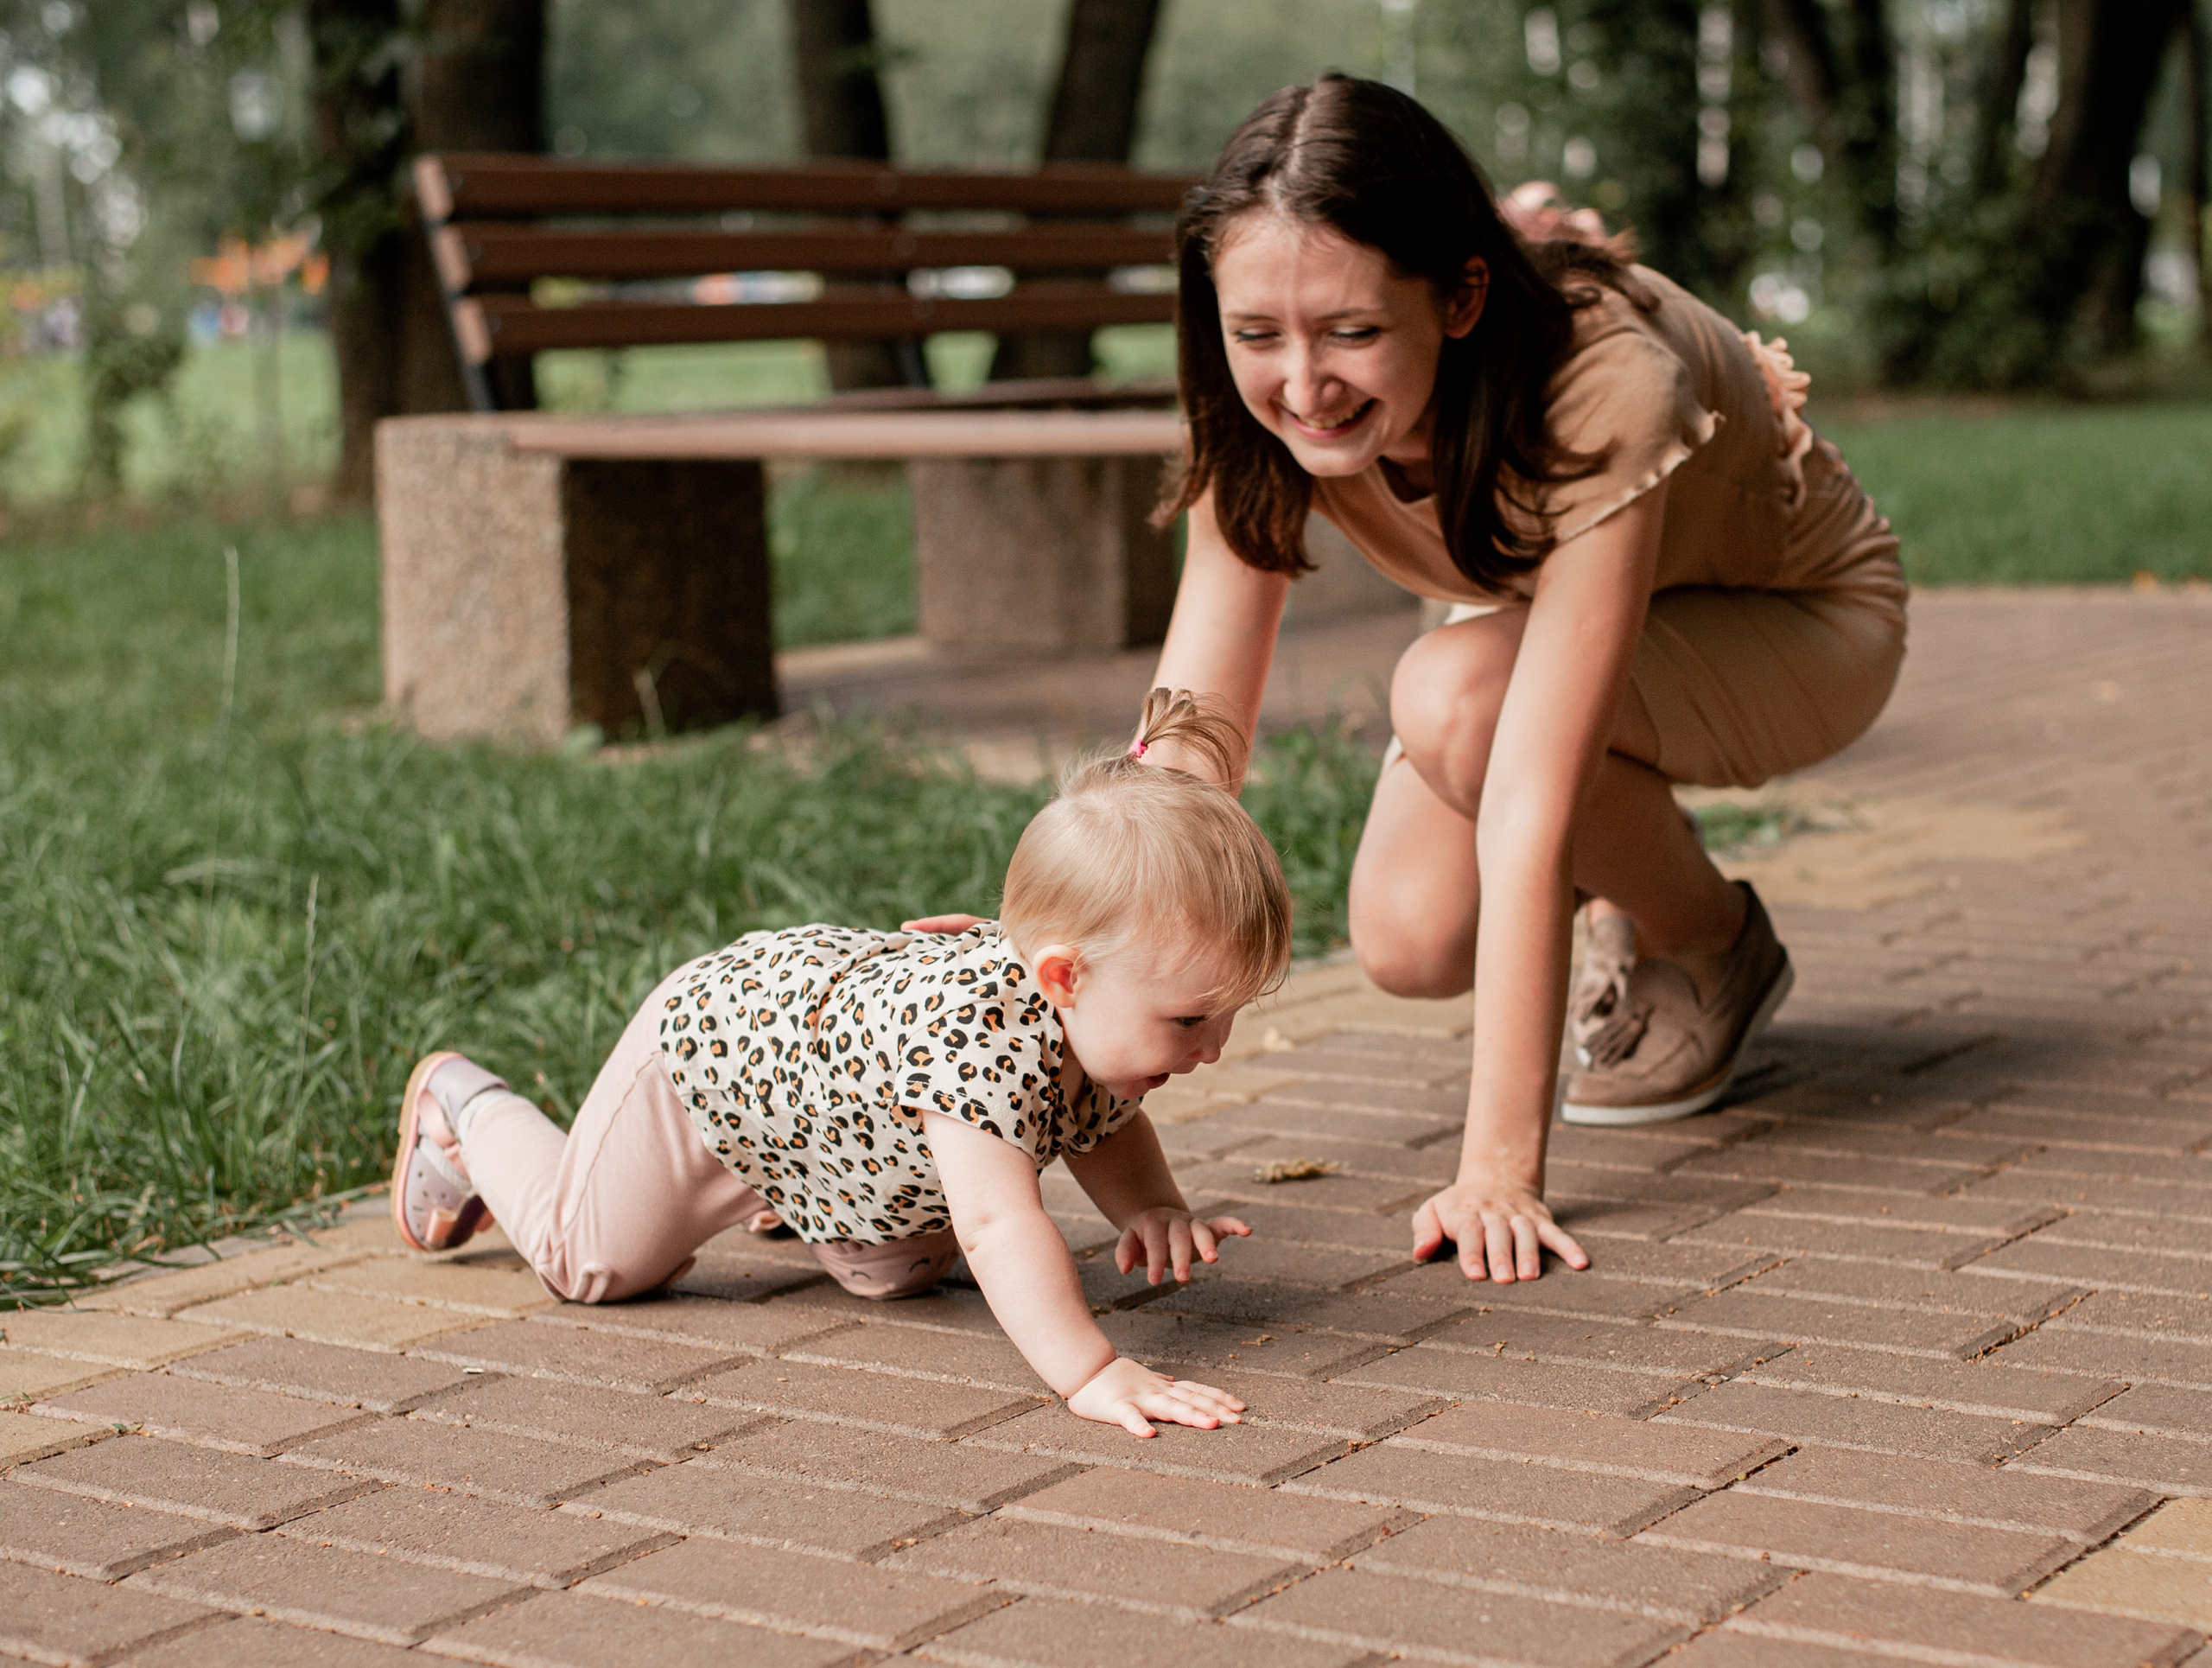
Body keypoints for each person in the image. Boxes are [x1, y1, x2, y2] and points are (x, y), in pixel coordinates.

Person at [1142, 75, 1905, 1289]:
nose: (1301, 381)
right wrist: (1026, 1009)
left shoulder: (1601, 383)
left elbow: (1529, 798)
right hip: (1549, 619)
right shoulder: (1257, 411)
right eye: (1257, 334)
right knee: (1408, 936)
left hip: (1800, 622)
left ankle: (1710, 944)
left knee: (1460, 704)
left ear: (1460, 294)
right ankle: (1644, 898)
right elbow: (1189, 742)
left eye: (1350, 330)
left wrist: (1499, 1164)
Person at [390, 691, 1287, 1439]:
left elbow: (1102, 1125)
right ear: (1063, 976)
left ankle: (796, 1193)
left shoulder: (1089, 1008)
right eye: (1191, 1018)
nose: (1212, 1048)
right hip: (715, 1066)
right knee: (590, 1265)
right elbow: (994, 1225)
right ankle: (463, 1114)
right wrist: (1090, 1369)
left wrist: (1153, 1206)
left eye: (1230, 1015)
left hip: (828, 1111)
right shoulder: (977, 1049)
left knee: (899, 1272)